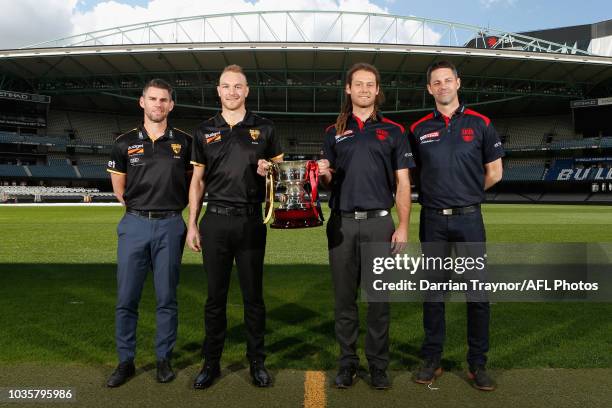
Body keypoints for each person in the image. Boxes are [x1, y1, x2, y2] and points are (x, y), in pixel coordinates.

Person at [409, 60, 504, 391]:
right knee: (433, 294)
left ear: (458, 83)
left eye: (447, 80)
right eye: (436, 82)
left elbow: (495, 173)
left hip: (469, 219)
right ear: (429, 89)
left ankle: (478, 364)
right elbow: (410, 175)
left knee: (477, 294)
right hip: (433, 220)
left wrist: (466, 194)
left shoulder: (480, 123)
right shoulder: (418, 129)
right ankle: (432, 359)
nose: (442, 86)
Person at [319, 62, 414, 390]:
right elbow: (329, 178)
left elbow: (403, 181)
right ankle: (347, 364)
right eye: (357, 84)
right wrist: (323, 172)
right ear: (348, 89)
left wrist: (402, 225)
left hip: (379, 224)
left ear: (377, 90)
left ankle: (377, 366)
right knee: (344, 301)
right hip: (342, 224)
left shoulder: (395, 131)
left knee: (378, 302)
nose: (363, 89)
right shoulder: (333, 132)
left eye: (369, 84)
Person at [187, 64, 283, 390]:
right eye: (226, 86)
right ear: (218, 91)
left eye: (238, 86)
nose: (232, 92)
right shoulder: (204, 131)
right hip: (214, 221)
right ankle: (210, 363)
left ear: (247, 91)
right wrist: (192, 225)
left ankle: (257, 362)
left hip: (251, 220)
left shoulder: (265, 128)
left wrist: (270, 170)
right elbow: (197, 182)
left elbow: (280, 177)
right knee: (215, 298)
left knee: (253, 298)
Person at [105, 78, 192, 387]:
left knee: (167, 297)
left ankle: (163, 359)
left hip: (171, 224)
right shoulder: (124, 142)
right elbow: (120, 189)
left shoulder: (185, 141)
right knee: (127, 297)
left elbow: (193, 184)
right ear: (142, 102)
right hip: (135, 224)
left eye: (164, 100)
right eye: (152, 99)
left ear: (171, 104)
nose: (158, 104)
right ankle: (125, 361)